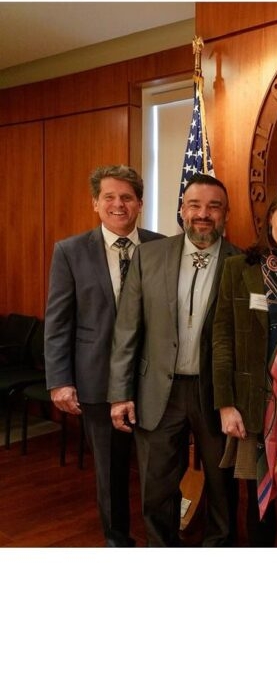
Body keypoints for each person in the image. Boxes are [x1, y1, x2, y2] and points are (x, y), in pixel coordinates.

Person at [108, 173, 240, 547]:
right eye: (195, 205)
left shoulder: (241, 262)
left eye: (213, 207)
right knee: (157, 486)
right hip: (157, 392)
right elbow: (126, 329)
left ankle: (219, 550)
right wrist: (120, 393)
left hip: (215, 393)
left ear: (225, 215)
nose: (203, 214)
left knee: (222, 485)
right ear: (182, 210)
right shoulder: (149, 256)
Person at [44, 164, 165, 547]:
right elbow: (58, 322)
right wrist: (60, 380)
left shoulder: (162, 247)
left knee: (160, 470)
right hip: (96, 380)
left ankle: (163, 541)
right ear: (96, 203)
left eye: (127, 197)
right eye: (109, 197)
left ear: (140, 204)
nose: (118, 204)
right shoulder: (69, 251)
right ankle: (118, 543)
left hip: (155, 381)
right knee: (111, 472)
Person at [212, 187, 277, 546]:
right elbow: (222, 338)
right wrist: (226, 404)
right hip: (254, 405)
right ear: (270, 217)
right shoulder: (238, 268)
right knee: (259, 506)